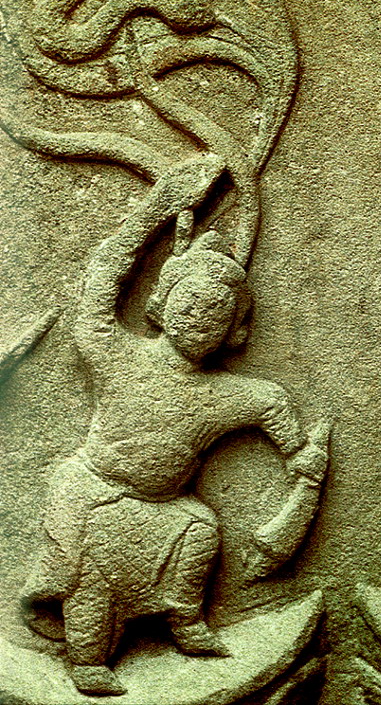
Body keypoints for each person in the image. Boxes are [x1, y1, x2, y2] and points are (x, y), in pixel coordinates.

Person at [22, 155, 327, 696]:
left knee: (200, 531)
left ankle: (183, 618)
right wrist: (155, 211)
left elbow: (271, 405)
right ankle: (87, 658)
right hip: (94, 496)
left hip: (167, 508)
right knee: (93, 577)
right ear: (162, 303)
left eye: (217, 313)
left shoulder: (225, 394)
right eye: (191, 302)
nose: (200, 317)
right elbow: (96, 293)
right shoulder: (118, 355)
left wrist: (299, 455)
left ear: (234, 330)